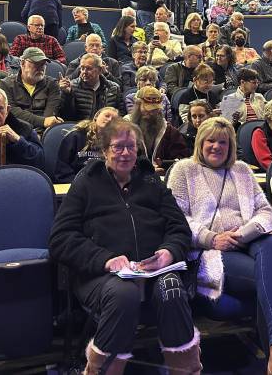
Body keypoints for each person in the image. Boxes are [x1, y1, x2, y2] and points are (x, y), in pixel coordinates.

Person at [49, 119, 199, 375]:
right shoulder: (86, 182)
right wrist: (104, 259)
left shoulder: (152, 182)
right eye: (118, 147)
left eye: (131, 147)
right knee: (124, 294)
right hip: (101, 276)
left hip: (153, 272)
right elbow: (61, 238)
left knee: (171, 288)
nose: (126, 153)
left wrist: (169, 251)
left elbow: (179, 228)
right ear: (105, 150)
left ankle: (186, 371)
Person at [172, 116, 272, 375]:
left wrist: (246, 232)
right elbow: (176, 219)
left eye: (223, 142)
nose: (216, 146)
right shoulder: (184, 170)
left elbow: (264, 211)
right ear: (200, 143)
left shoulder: (241, 169)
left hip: (247, 241)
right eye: (211, 141)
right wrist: (211, 238)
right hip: (212, 249)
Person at [0, 47, 63, 135]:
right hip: (15, 133)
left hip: (43, 133)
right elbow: (12, 112)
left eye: (43, 64)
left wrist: (43, 127)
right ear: (22, 63)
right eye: (36, 64)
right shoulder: (6, 84)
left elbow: (50, 116)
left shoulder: (52, 84)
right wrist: (42, 121)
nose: (41, 68)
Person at [128, 85, 189, 171]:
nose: (151, 113)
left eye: (155, 110)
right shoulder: (126, 130)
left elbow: (181, 159)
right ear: (138, 105)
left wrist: (164, 165)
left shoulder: (170, 131)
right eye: (147, 109)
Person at [54, 106, 119, 183]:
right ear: (96, 116)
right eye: (107, 116)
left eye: (114, 119)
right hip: (74, 184)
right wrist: (78, 185)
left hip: (104, 186)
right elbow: (62, 169)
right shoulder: (76, 136)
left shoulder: (116, 142)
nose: (110, 119)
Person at [59, 53, 122, 121]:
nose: (84, 72)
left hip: (106, 129)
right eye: (82, 68)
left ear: (100, 70)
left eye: (89, 68)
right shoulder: (72, 87)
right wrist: (67, 95)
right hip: (81, 128)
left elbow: (120, 114)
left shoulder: (113, 88)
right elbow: (66, 117)